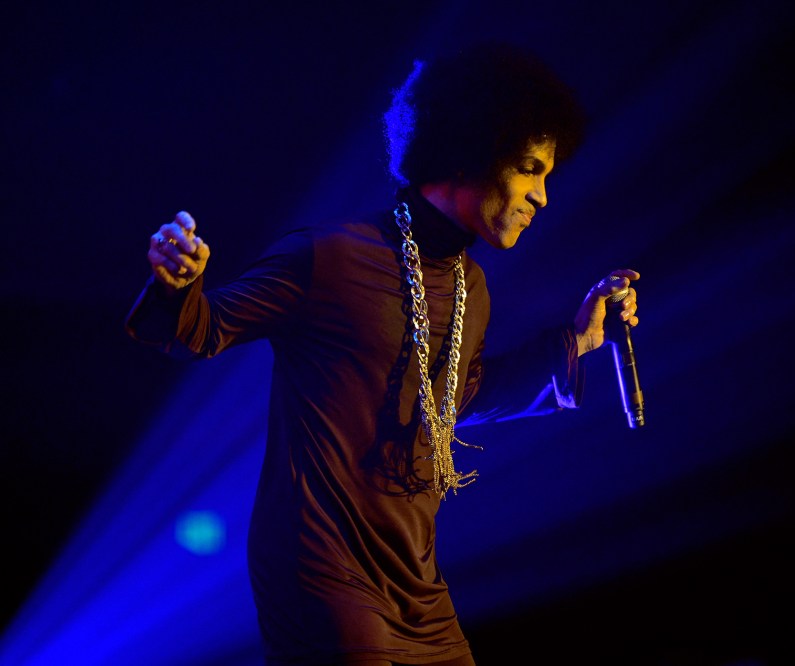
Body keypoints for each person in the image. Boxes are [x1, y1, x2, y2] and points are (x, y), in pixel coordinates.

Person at [126, 42, 640, 666]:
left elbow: (457, 397)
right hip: (322, 569)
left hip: (416, 583)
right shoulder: (330, 257)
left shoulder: (470, 284)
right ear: (474, 146)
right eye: (531, 168)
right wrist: (176, 286)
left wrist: (580, 341)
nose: (542, 196)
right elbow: (198, 332)